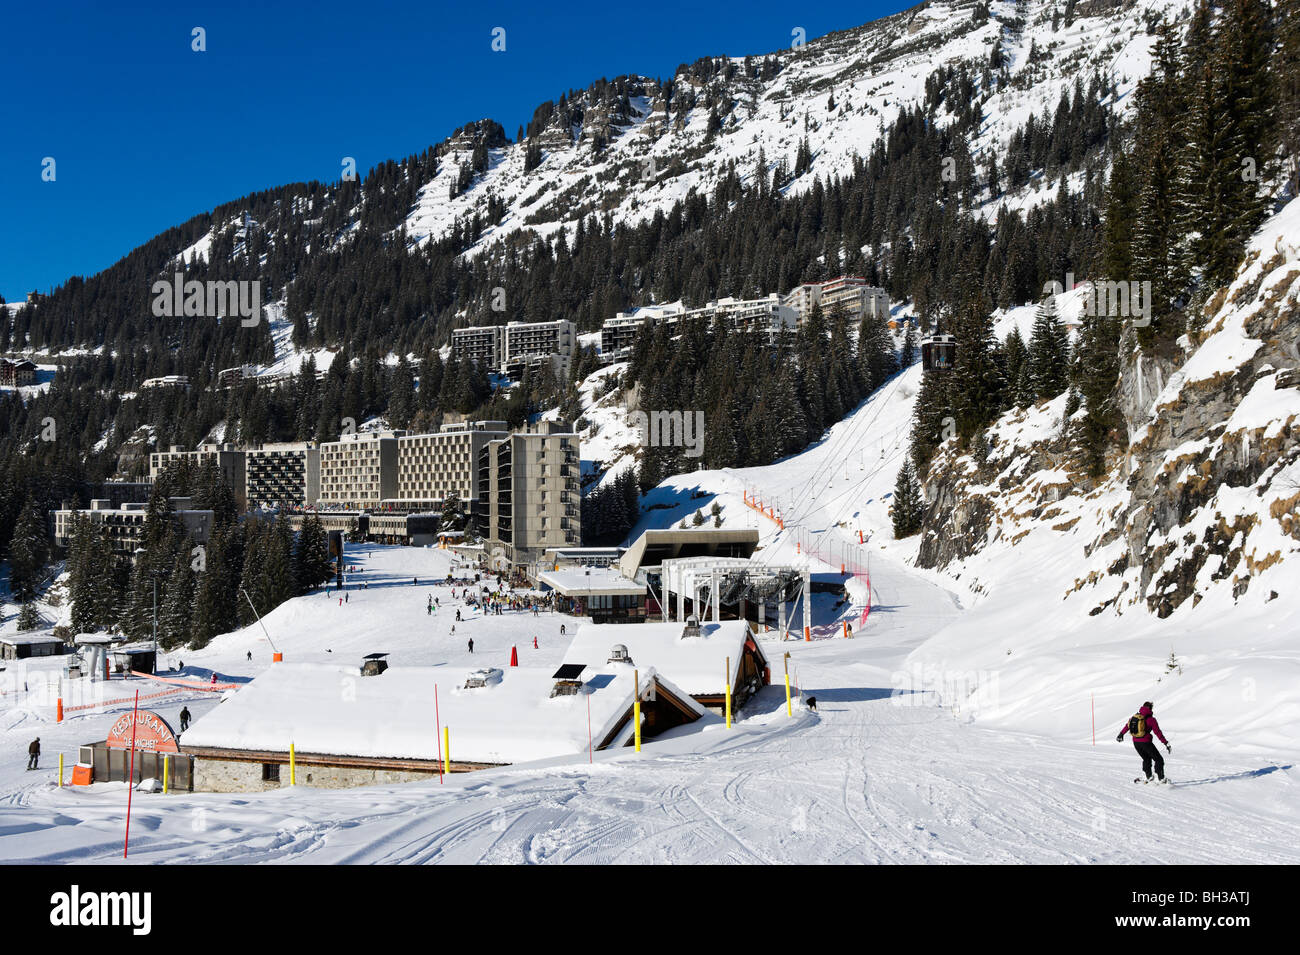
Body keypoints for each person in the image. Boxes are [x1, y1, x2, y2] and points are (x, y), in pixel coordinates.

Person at [1117, 701, 1171, 783]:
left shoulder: (1135, 717)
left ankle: (1147, 776)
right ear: (1150, 709)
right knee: (1159, 759)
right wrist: (1165, 743)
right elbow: (1158, 733)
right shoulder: (1151, 720)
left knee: (1146, 758)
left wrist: (1121, 734)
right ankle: (1160, 778)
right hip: (1146, 742)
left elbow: (1127, 726)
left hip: (1136, 742)